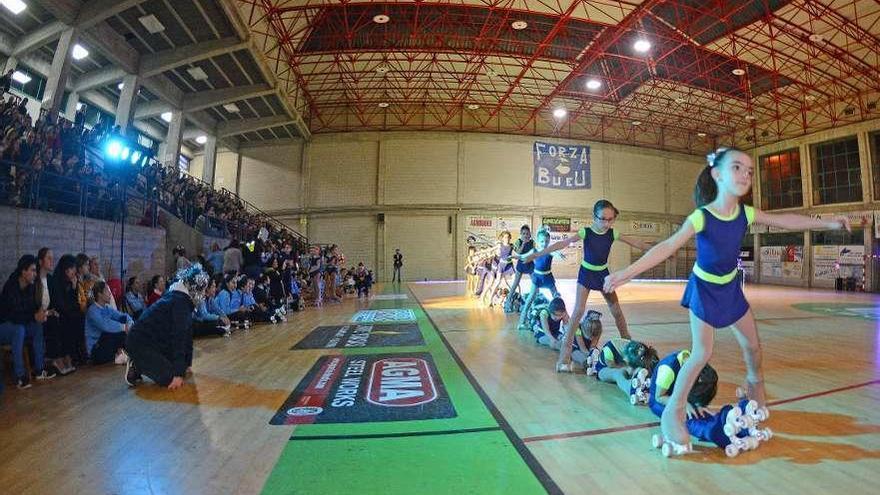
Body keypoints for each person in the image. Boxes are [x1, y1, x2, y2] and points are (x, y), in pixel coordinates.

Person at [604, 147, 851, 451]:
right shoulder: (702, 217)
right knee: (701, 353)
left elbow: (787, 221)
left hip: (730, 289)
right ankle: (673, 411)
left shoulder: (745, 214)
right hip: (705, 289)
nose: (746, 174)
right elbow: (667, 246)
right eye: (737, 167)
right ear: (717, 174)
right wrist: (627, 272)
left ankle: (754, 385)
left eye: (749, 170)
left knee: (752, 345)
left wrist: (829, 223)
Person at [523, 200, 651, 369]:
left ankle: (629, 350)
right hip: (586, 273)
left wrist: (659, 249)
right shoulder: (586, 232)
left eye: (611, 219)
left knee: (617, 312)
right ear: (594, 217)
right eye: (603, 219)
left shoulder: (613, 233)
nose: (607, 223)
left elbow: (636, 243)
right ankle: (564, 357)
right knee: (577, 313)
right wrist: (537, 254)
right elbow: (562, 244)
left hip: (603, 275)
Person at [125, 265, 209, 389]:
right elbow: (179, 337)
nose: (203, 294)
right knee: (169, 378)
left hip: (154, 342)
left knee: (177, 369)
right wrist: (178, 373)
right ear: (195, 288)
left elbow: (187, 333)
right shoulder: (180, 302)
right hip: (139, 342)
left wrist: (186, 363)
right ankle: (137, 363)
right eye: (202, 290)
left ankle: (141, 363)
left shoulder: (181, 298)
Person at [0, 255, 57, 388]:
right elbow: (13, 316)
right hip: (4, 327)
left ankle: (39, 369)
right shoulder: (10, 287)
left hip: (19, 325)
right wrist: (33, 316)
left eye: (36, 271)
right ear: (23, 271)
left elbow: (32, 309)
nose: (35, 274)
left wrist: (41, 313)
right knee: (19, 329)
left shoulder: (30, 287)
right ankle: (19, 376)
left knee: (37, 327)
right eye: (32, 270)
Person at [85, 281, 134, 365]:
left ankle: (123, 353)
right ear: (100, 294)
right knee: (110, 333)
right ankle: (119, 355)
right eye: (107, 291)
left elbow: (123, 316)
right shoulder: (92, 311)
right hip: (96, 350)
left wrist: (130, 323)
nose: (110, 294)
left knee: (123, 323)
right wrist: (124, 327)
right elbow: (105, 325)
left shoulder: (107, 308)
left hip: (106, 345)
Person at [504, 225, 534, 311]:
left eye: (527, 234)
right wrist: (524, 243)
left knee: (535, 284)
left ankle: (533, 302)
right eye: (523, 233)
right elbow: (518, 252)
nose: (525, 235)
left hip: (530, 264)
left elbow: (534, 252)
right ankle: (508, 301)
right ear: (521, 234)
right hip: (521, 264)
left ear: (530, 235)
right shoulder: (518, 241)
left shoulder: (533, 242)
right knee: (515, 284)